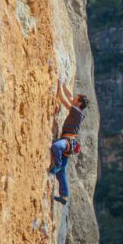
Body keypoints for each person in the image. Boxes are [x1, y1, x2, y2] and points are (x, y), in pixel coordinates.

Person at [49, 77, 89, 205]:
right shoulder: (78, 109)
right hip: (69, 142)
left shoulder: (77, 112)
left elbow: (63, 99)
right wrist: (65, 84)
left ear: (79, 103)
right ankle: (64, 196)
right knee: (61, 173)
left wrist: (59, 85)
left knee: (56, 147)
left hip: (67, 141)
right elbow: (70, 96)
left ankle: (58, 164)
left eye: (76, 99)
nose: (74, 99)